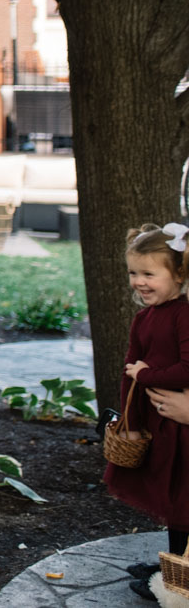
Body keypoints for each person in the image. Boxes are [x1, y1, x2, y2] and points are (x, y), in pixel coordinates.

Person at [104, 222, 189, 602]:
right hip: (159, 424)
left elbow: (187, 368)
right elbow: (129, 374)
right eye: (133, 273)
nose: (139, 282)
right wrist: (131, 424)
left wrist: (148, 373)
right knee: (170, 502)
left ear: (179, 275)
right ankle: (171, 564)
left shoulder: (183, 316)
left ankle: (179, 578)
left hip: (182, 429)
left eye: (149, 274)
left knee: (183, 501)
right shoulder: (143, 319)